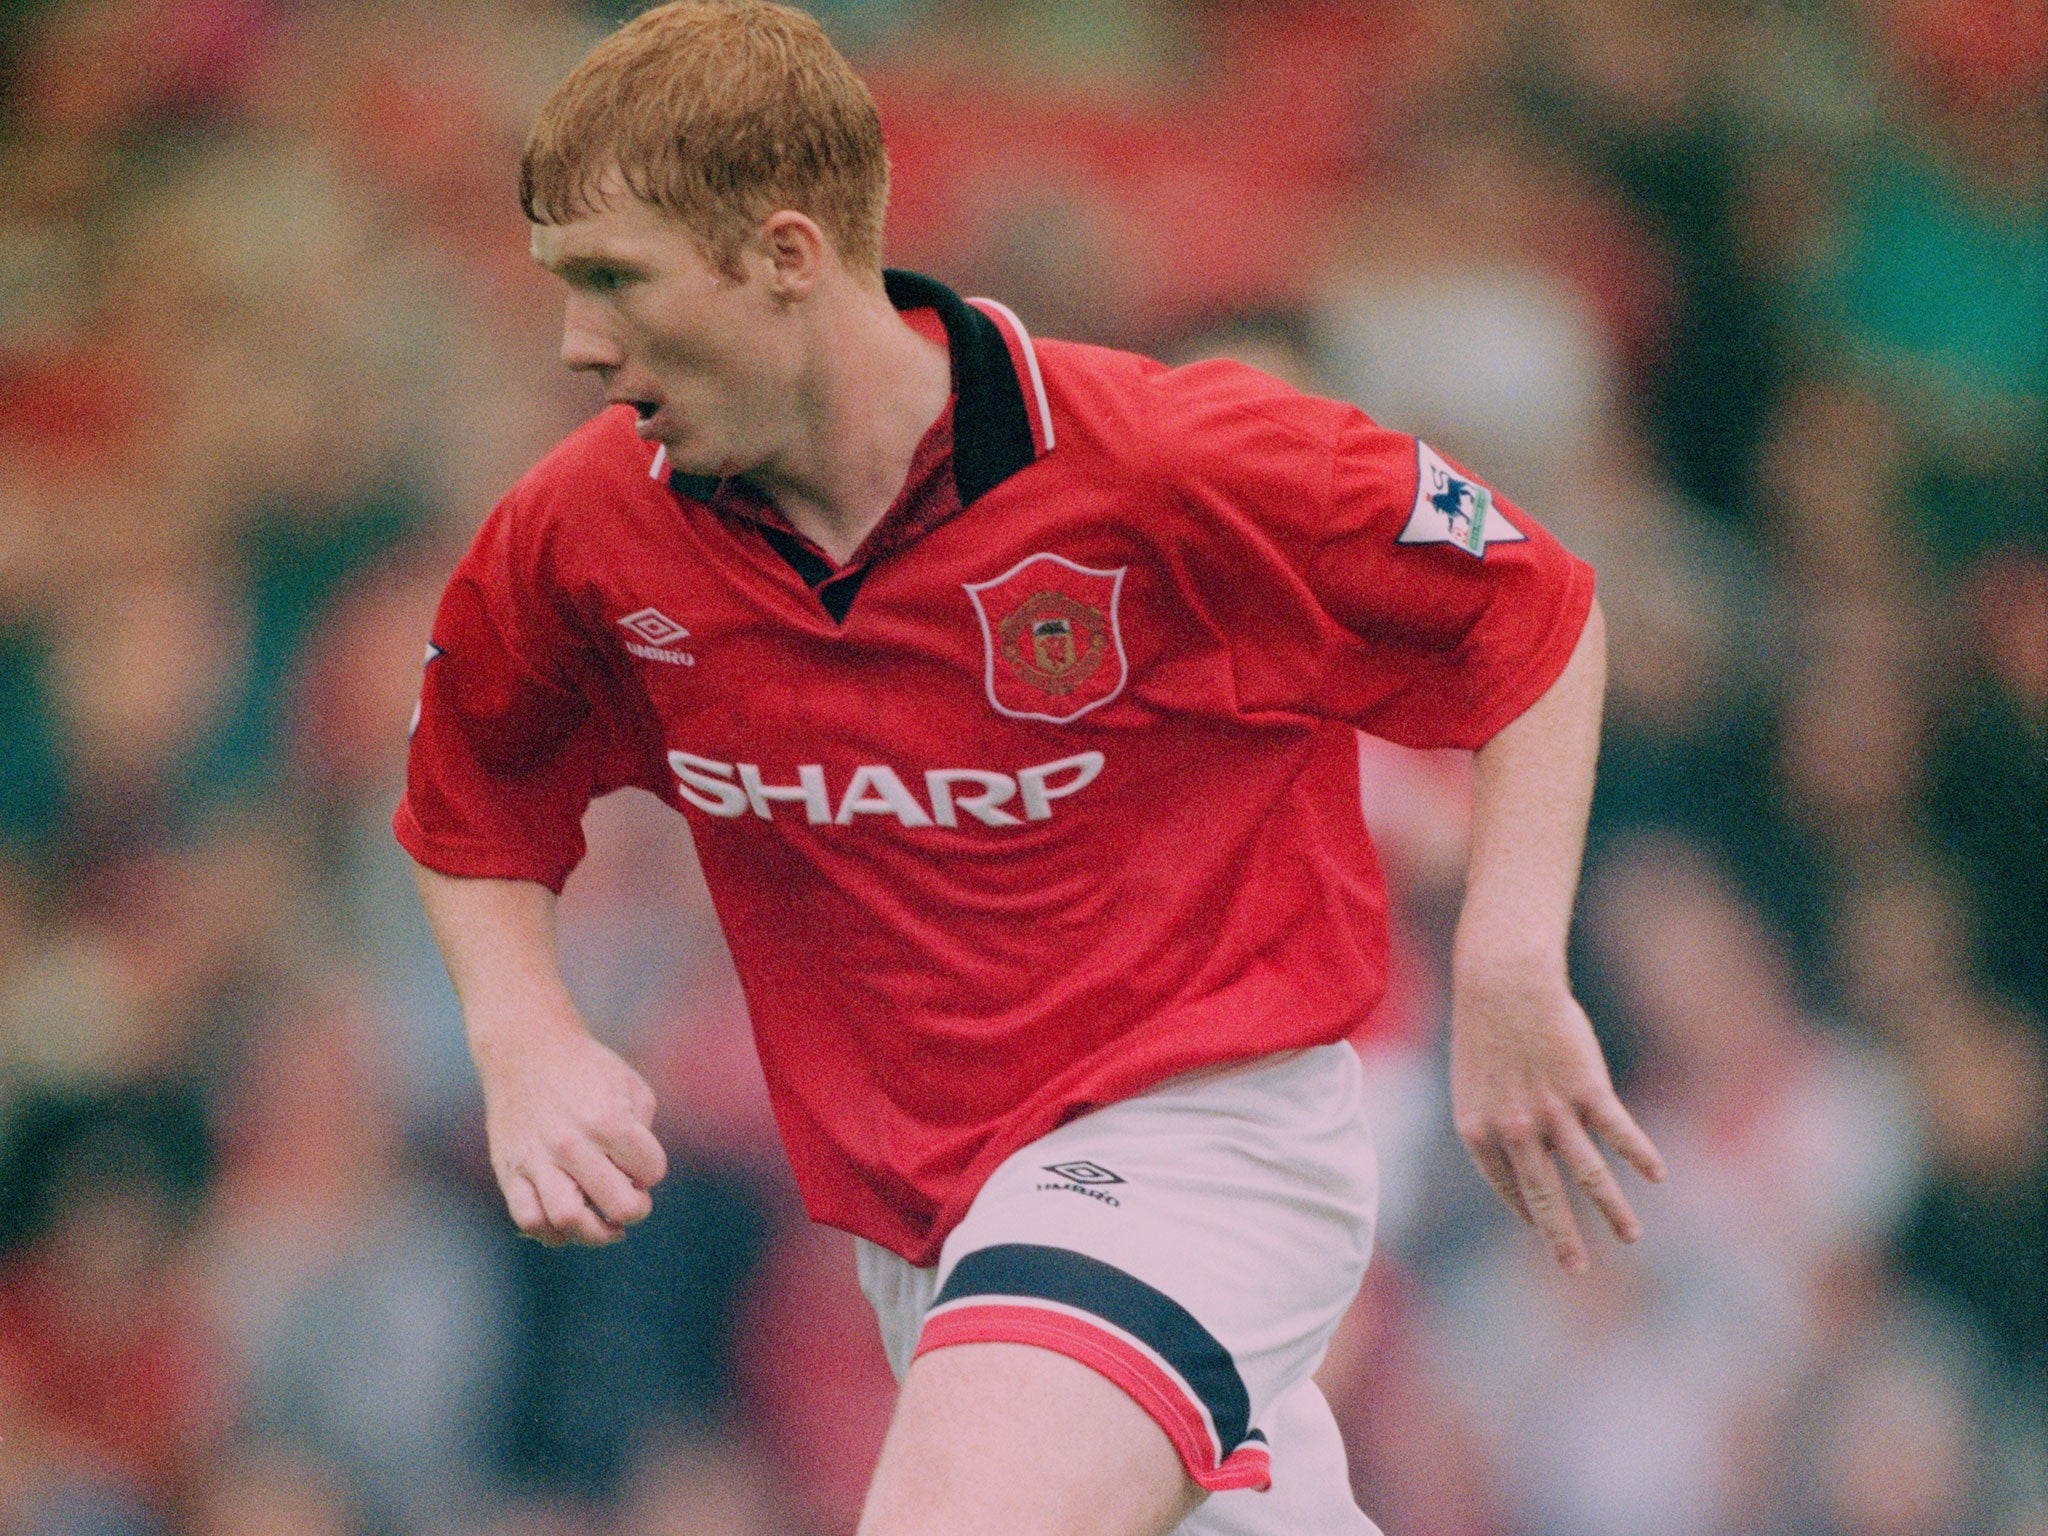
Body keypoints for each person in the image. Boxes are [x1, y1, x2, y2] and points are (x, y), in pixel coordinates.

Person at [395, 5, 1666, 1533]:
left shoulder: (1162, 462)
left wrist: (1513, 962)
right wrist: (525, 1035)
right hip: (928, 1230)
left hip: (1203, 1141)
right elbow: (473, 794)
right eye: (561, 286)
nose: (577, 342)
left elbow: (1532, 604)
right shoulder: (584, 533)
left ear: (786, 255)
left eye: (613, 279)